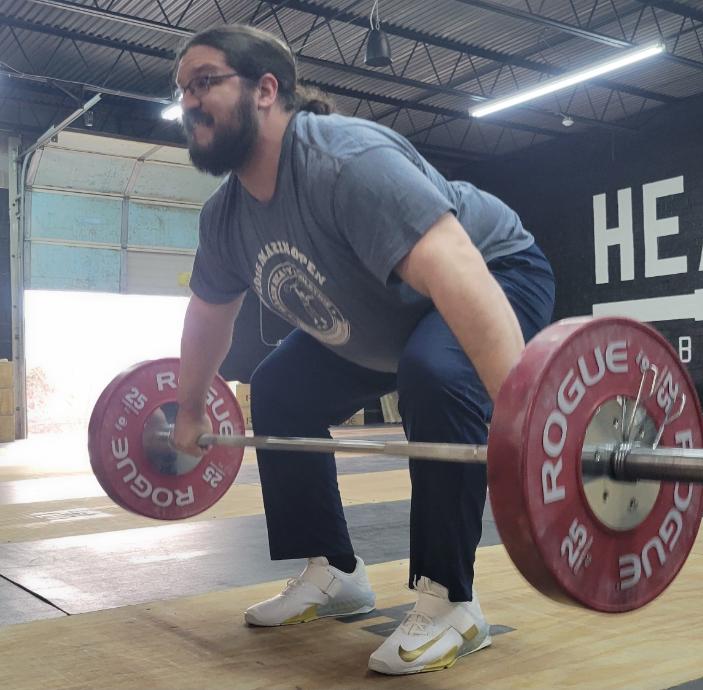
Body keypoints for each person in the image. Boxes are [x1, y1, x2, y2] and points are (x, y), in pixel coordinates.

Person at [169, 24, 555, 675]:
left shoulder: (343, 163)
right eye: (181, 90)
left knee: (433, 373)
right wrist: (188, 409)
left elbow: (458, 273)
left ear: (268, 90)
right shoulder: (225, 219)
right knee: (282, 388)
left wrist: (529, 427)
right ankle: (336, 572)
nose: (188, 102)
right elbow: (208, 317)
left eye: (203, 82)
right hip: (377, 316)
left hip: (492, 272)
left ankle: (452, 602)